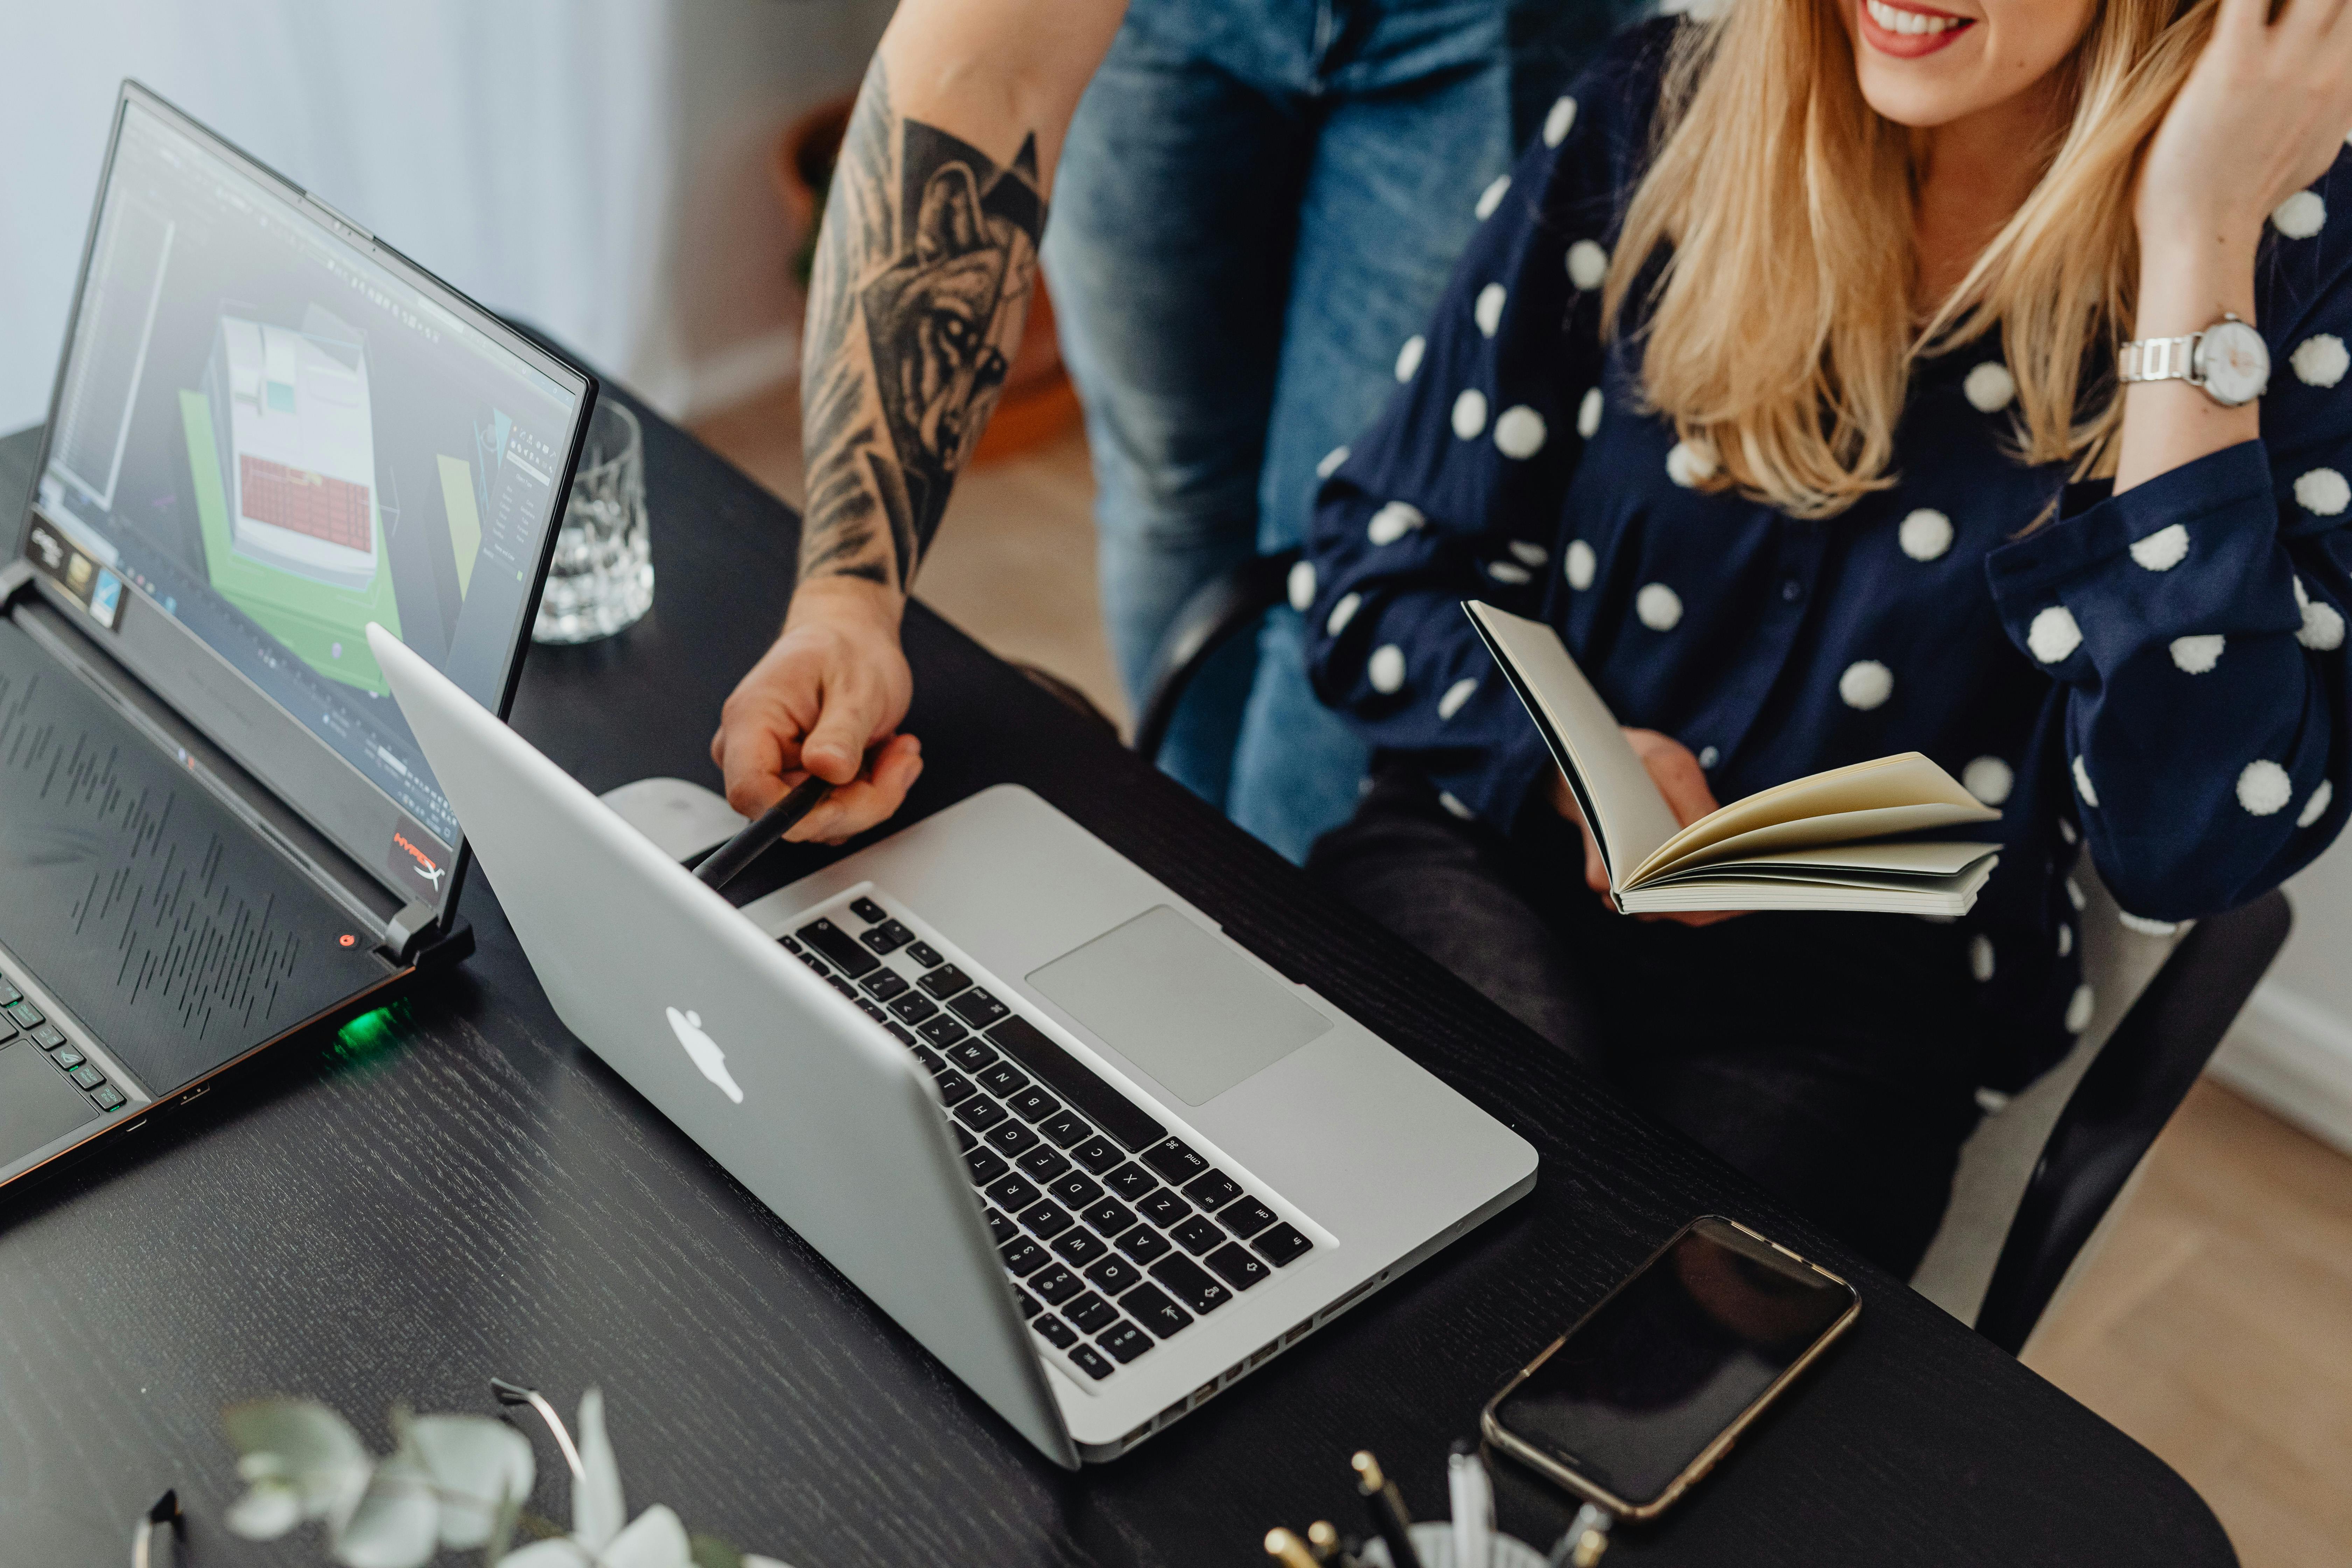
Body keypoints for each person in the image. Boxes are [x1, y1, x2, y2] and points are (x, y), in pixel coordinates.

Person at [1299, 0, 2352, 1274]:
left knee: (1615, 1345)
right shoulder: (1663, 103)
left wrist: (2198, 242)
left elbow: (2190, 839)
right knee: (1419, 1215)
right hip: (1491, 849)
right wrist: (1561, 764)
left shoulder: (2291, 267)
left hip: (1861, 1002)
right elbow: (1380, 565)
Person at [708, 0, 1643, 863]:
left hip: (1489, 24)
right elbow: (975, 76)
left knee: (1353, 551)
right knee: (1169, 486)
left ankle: (1288, 939)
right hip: (1169, 26)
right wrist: (845, 605)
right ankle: (1192, 860)